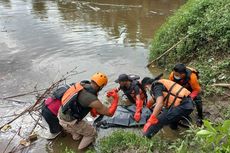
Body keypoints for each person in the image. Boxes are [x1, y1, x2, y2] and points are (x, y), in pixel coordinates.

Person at [58, 72, 119, 150]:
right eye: (103, 86)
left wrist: (92, 109)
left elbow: (80, 100)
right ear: (101, 86)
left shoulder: (82, 84)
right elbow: (109, 113)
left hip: (60, 115)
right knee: (91, 133)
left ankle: (76, 137)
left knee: (77, 136)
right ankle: (79, 150)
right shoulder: (91, 99)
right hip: (70, 122)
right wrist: (116, 99)